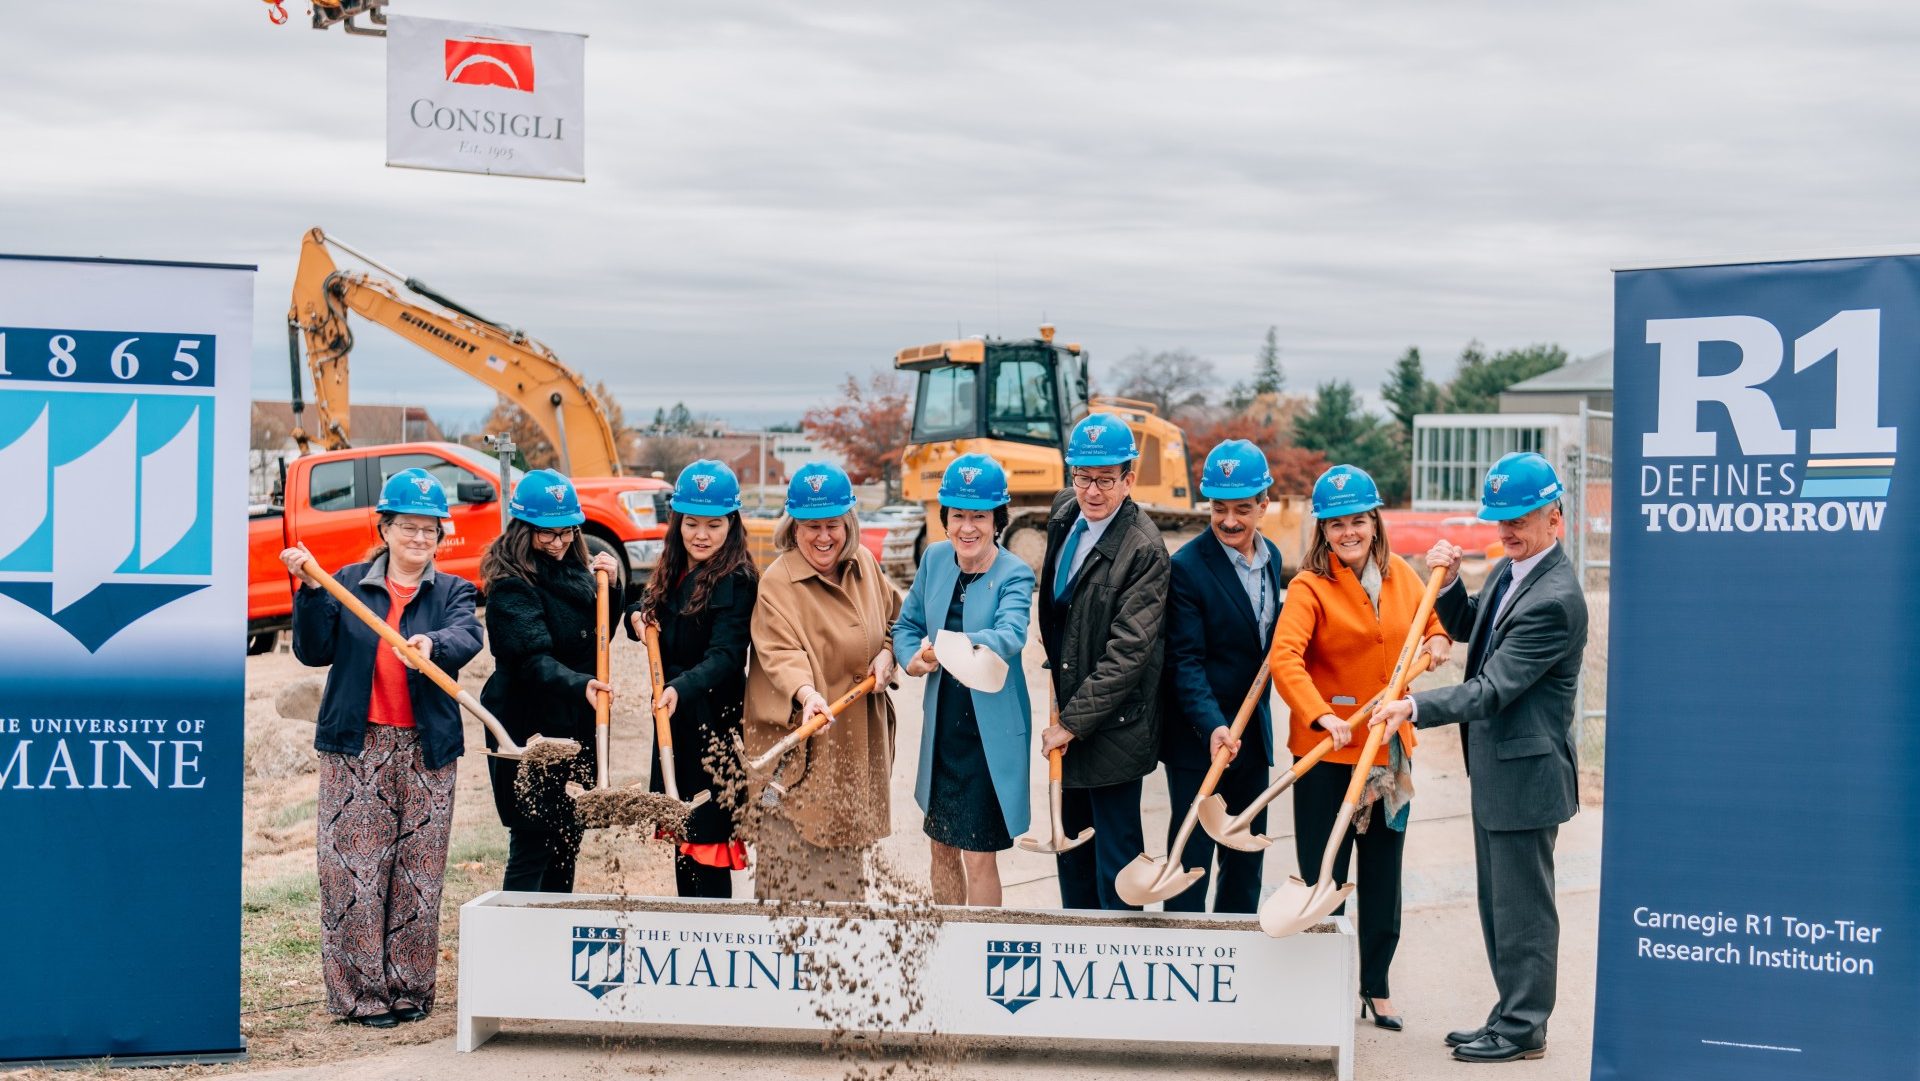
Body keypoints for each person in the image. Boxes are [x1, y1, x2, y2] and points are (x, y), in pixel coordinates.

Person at [1372, 451, 1588, 1064]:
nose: (1508, 530)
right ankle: (1508, 1014)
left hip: (1527, 773)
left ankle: (1524, 1029)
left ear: (1555, 518)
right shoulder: (1512, 570)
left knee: (1524, 910)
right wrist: (1449, 583)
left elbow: (1493, 688)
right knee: (1499, 905)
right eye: (1502, 520)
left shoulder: (1556, 598)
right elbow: (1473, 626)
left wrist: (1414, 707)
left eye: (1521, 518)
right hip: (1498, 771)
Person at [282, 467, 483, 1028]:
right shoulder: (346, 582)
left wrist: (432, 643)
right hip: (357, 746)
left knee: (418, 873)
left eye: (430, 530)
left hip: (426, 750)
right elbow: (313, 650)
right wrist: (313, 590)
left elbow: (468, 635)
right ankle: (361, 996)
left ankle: (409, 991)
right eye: (408, 528)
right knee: (354, 872)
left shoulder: (452, 592)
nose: (420, 539)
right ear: (385, 528)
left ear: (441, 536)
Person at [1269, 464, 1449, 1032]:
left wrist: (1439, 640)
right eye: (1336, 523)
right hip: (1329, 755)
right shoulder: (1309, 586)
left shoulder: (1401, 575)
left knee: (1382, 871)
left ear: (1375, 523)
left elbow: (1431, 623)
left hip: (1388, 756)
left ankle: (1377, 986)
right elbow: (1285, 659)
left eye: (1358, 521)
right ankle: (1326, 984)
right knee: (1325, 875)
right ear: (1321, 530)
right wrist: (1321, 713)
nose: (1349, 532)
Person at [742, 462, 901, 902]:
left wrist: (889, 652)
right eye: (812, 526)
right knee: (794, 856)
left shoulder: (866, 565)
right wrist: (807, 694)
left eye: (833, 524)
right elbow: (779, 652)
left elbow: (895, 618)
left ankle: (841, 957)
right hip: (803, 740)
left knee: (844, 860)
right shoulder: (779, 582)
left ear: (848, 523)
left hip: (855, 740)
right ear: (793, 528)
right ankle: (785, 951)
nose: (823, 536)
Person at [1037, 413, 1170, 911]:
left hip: (1113, 727)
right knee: (1072, 857)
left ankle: (1118, 965)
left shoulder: (1144, 549)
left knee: (1115, 866)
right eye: (1082, 477)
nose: (1092, 491)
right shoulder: (1063, 513)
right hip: (1069, 716)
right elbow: (1059, 605)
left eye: (1106, 480)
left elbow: (1128, 653)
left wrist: (1072, 723)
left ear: (1128, 479)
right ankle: (1079, 963)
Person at [894, 454, 1035, 907]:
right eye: (958, 515)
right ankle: (948, 940)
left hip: (987, 738)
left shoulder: (1014, 572)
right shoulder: (935, 559)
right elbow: (906, 625)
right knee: (940, 847)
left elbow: (1010, 635)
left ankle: (981, 949)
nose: (967, 527)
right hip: (943, 733)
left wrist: (947, 645)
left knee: (978, 856)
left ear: (998, 520)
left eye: (979, 516)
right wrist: (911, 659)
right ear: (945, 519)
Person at [478, 468, 621, 894]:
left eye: (566, 532)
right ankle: (518, 932)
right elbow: (530, 661)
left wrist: (612, 589)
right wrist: (581, 685)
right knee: (532, 837)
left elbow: (598, 637)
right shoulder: (510, 584)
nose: (558, 543)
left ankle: (555, 930)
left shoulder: (577, 571)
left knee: (567, 834)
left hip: (573, 718)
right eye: (546, 534)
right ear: (523, 530)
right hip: (527, 723)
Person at [1159, 440, 1286, 913]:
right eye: (1219, 509)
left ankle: (1237, 957)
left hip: (1252, 736)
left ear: (1263, 505)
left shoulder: (1271, 558)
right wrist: (1212, 725)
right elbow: (1184, 662)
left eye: (1242, 509)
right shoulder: (1187, 568)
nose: (1229, 521)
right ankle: (1184, 957)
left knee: (1244, 857)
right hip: (1200, 739)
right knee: (1191, 861)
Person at [626, 459, 759, 899]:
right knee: (684, 838)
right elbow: (644, 606)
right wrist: (634, 619)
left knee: (708, 843)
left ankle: (711, 934)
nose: (701, 535)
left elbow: (726, 656)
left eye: (714, 524)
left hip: (714, 727)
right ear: (677, 522)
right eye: (691, 523)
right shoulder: (672, 567)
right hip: (675, 721)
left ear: (731, 524)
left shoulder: (737, 579)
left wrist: (678, 689)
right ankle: (691, 925)